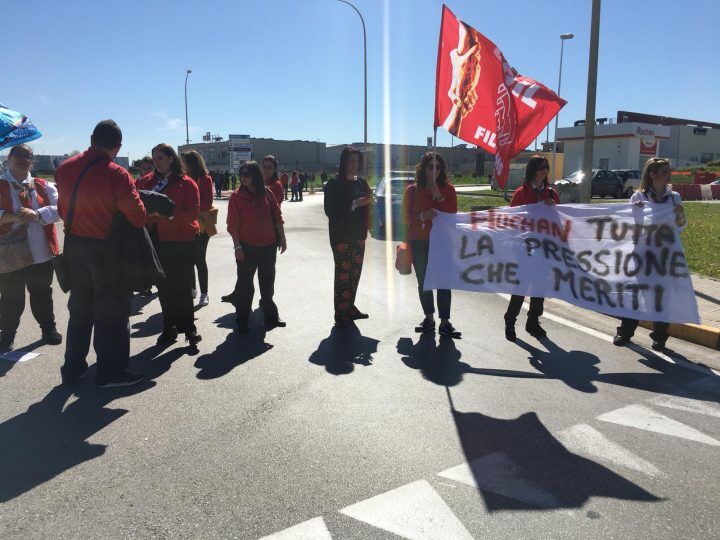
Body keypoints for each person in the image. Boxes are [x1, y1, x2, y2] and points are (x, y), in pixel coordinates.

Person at [55, 120, 147, 387]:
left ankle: (73, 368)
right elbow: (138, 216)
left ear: (91, 138)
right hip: (106, 252)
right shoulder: (116, 173)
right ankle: (110, 372)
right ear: (117, 147)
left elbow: (63, 211)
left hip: (75, 247)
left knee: (80, 311)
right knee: (112, 314)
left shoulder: (65, 168)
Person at [613, 157, 685, 351]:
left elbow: (681, 226)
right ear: (652, 175)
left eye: (669, 171)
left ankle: (660, 337)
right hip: (643, 255)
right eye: (664, 171)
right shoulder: (639, 197)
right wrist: (635, 214)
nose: (669, 174)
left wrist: (679, 213)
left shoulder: (674, 197)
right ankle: (625, 332)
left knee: (662, 297)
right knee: (636, 295)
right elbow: (630, 228)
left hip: (665, 255)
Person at [0, 144, 62, 353]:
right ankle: (6, 335)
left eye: (28, 156)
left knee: (42, 294)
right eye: (18, 154)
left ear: (32, 161)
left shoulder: (44, 185)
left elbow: (60, 209)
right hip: (10, 254)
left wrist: (38, 214)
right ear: (9, 158)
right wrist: (10, 216)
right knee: (10, 297)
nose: (23, 159)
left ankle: (48, 329)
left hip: (40, 253)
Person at [138, 144, 201, 347]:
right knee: (163, 287)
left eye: (160, 158)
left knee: (182, 287)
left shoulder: (186, 183)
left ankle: (189, 329)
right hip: (155, 241)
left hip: (181, 240)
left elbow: (192, 213)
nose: (156, 162)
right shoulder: (146, 182)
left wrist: (167, 215)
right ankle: (169, 327)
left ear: (171, 159)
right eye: (154, 158)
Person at [402, 152, 461, 338]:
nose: (434, 170)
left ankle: (445, 322)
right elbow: (404, 217)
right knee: (424, 282)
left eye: (438, 167)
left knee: (443, 281)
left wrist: (440, 197)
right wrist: (421, 216)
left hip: (442, 241)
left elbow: (453, 215)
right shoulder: (412, 190)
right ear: (423, 168)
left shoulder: (448, 189)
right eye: (430, 167)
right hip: (419, 241)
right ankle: (429, 318)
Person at [503, 155, 559, 342]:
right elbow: (513, 220)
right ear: (532, 170)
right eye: (540, 167)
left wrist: (553, 208)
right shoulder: (521, 193)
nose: (544, 170)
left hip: (544, 248)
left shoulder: (551, 194)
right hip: (524, 248)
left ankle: (533, 321)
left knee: (539, 287)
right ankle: (510, 321)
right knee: (521, 286)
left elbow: (559, 222)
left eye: (546, 167)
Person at [227, 161, 287, 332]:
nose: (243, 178)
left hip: (268, 247)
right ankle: (242, 319)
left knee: (267, 284)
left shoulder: (267, 193)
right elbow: (232, 225)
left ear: (255, 175)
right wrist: (237, 248)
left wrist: (282, 238)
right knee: (245, 286)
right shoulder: (236, 196)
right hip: (247, 248)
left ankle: (271, 317)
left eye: (247, 174)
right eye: (241, 174)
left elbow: (277, 217)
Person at [323, 146, 372, 327]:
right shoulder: (334, 183)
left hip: (359, 235)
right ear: (343, 162)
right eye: (351, 161)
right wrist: (353, 204)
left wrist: (369, 206)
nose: (354, 165)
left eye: (357, 162)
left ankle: (350, 307)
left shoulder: (361, 183)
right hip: (341, 237)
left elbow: (368, 205)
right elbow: (330, 211)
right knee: (344, 275)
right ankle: (340, 313)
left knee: (354, 274)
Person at [181, 150, 214, 306]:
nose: (181, 164)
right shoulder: (183, 178)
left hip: (201, 224)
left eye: (184, 162)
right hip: (187, 223)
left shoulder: (205, 179)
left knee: (200, 259)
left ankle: (204, 293)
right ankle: (192, 288)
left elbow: (207, 203)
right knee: (189, 258)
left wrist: (191, 208)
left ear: (191, 163)